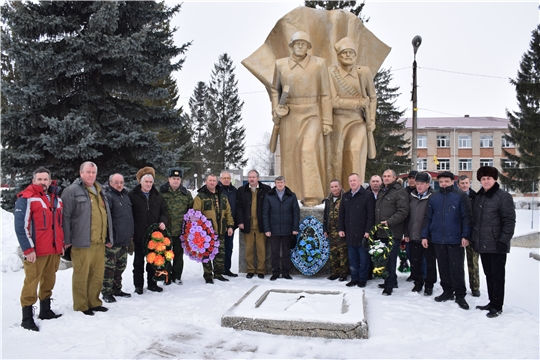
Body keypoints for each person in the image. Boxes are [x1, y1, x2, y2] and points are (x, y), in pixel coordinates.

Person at [270, 31, 332, 206]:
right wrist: (276, 109)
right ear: (291, 45)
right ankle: (292, 195)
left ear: (308, 47)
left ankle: (313, 194)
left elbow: (326, 93)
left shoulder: (319, 64)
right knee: (289, 156)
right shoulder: (280, 64)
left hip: (312, 113)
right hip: (289, 114)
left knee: (308, 149)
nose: (299, 46)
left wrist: (327, 120)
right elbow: (275, 89)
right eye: (296, 43)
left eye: (303, 43)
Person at [15, 167, 64, 331]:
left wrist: (61, 244)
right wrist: (28, 249)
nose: (43, 182)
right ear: (33, 180)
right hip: (36, 252)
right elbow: (21, 227)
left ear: (50, 181)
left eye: (45, 179)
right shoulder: (26, 198)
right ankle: (27, 317)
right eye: (39, 179)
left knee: (49, 280)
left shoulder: (56, 198)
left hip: (54, 250)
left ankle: (45, 310)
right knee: (31, 282)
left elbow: (59, 224)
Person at [62, 161, 112, 315]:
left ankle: (94, 302)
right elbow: (65, 217)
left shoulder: (100, 190)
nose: (91, 175)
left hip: (99, 242)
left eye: (93, 172)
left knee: (97, 274)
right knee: (81, 274)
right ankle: (81, 305)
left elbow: (106, 215)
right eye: (88, 172)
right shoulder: (72, 191)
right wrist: (67, 240)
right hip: (82, 242)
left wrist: (109, 237)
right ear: (81, 173)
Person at [327, 37, 377, 186]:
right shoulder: (331, 72)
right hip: (337, 121)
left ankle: (354, 191)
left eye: (351, 53)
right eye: (344, 53)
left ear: (356, 55)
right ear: (338, 56)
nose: (348, 55)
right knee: (336, 159)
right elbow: (333, 101)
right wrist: (358, 102)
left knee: (354, 151)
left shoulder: (364, 72)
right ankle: (336, 193)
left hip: (357, 120)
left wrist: (372, 120)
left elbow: (372, 97)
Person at [421, 171, 473, 310]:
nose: (443, 184)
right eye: (441, 182)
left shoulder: (460, 196)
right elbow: (428, 217)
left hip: (456, 239)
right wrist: (425, 235)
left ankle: (460, 294)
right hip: (438, 238)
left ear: (452, 182)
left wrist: (466, 236)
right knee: (443, 267)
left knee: (456, 268)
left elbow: (467, 217)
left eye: (446, 181)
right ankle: (447, 291)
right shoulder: (434, 197)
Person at [472, 166, 516, 318]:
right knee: (488, 275)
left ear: (495, 179)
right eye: (483, 179)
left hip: (497, 244)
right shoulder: (479, 197)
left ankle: (497, 306)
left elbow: (509, 221)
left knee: (497, 276)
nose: (485, 181)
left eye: (488, 178)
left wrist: (504, 240)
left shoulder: (503, 197)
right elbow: (476, 221)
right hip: (483, 244)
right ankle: (491, 302)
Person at [128, 167, 168, 294]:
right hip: (139, 234)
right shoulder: (132, 196)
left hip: (154, 235)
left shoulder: (158, 196)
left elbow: (165, 212)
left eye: (151, 182)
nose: (149, 184)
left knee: (153, 260)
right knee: (138, 262)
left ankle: (152, 283)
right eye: (146, 182)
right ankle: (138, 285)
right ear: (140, 182)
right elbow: (128, 215)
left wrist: (163, 221)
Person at [193, 174, 234, 284]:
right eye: (210, 180)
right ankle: (207, 275)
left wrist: (230, 226)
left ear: (216, 182)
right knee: (206, 253)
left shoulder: (222, 196)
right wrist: (199, 229)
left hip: (220, 230)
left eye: (214, 181)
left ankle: (218, 273)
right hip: (206, 232)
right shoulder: (200, 196)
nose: (212, 182)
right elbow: (195, 213)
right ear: (206, 182)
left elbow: (228, 213)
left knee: (220, 253)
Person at [375, 169, 409, 295]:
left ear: (394, 178)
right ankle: (391, 280)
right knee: (385, 258)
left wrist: (389, 222)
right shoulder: (382, 191)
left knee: (390, 259)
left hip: (393, 231)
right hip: (381, 231)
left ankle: (389, 286)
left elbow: (403, 211)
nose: (386, 178)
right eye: (384, 176)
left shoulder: (400, 191)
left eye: (389, 176)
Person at [101, 173, 134, 303]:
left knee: (121, 266)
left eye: (121, 182)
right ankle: (106, 291)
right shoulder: (108, 196)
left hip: (124, 239)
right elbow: (105, 219)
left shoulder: (125, 196)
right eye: (116, 182)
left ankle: (116, 289)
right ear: (110, 183)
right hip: (112, 241)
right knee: (109, 268)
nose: (119, 185)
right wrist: (107, 238)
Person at [338, 174, 375, 287]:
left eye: (354, 180)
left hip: (363, 233)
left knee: (363, 258)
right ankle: (354, 278)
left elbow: (371, 215)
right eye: (350, 181)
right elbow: (341, 215)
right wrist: (341, 228)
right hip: (349, 232)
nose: (352, 182)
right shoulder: (345, 196)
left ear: (359, 181)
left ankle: (363, 279)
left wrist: (368, 230)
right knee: (352, 258)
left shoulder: (367, 195)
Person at [403, 172, 436, 296]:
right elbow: (407, 216)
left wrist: (427, 235)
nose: (419, 186)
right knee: (415, 262)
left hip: (428, 238)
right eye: (417, 184)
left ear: (428, 184)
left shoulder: (433, 197)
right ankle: (418, 283)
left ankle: (429, 284)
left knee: (429, 262)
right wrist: (406, 233)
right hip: (413, 235)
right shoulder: (411, 196)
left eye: (422, 184)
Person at [262, 176, 300, 280]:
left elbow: (296, 213)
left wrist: (295, 228)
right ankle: (275, 272)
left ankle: (285, 272)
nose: (280, 184)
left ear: (284, 183)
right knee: (274, 252)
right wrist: (267, 229)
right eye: (278, 182)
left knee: (286, 252)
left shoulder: (291, 196)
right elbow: (265, 213)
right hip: (273, 230)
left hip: (287, 229)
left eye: (281, 182)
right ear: (275, 183)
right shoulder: (269, 196)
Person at [160, 168, 193, 285]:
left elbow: (191, 211)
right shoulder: (161, 193)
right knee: (166, 255)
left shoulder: (186, 194)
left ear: (181, 180)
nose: (175, 181)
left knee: (178, 255)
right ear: (169, 179)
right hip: (166, 231)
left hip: (180, 231)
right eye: (173, 178)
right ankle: (167, 276)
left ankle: (177, 276)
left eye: (178, 179)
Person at [236, 169, 271, 279]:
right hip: (248, 225)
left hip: (261, 225)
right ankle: (250, 270)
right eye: (249, 177)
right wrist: (240, 221)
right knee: (249, 249)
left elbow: (269, 207)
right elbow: (239, 207)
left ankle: (261, 270)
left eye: (253, 177)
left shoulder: (266, 189)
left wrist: (268, 225)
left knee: (261, 250)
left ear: (258, 178)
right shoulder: (242, 190)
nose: (251, 179)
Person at [457, 174, 481, 297]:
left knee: (473, 263)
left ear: (469, 183)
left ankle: (475, 287)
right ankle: (460, 286)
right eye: (462, 183)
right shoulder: (455, 197)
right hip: (458, 235)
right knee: (458, 263)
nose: (465, 185)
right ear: (458, 185)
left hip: (472, 235)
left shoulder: (476, 197)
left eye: (467, 183)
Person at [323, 179, 348, 281]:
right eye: (332, 187)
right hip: (331, 231)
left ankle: (343, 274)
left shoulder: (345, 198)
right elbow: (326, 215)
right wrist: (325, 229)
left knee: (343, 254)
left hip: (341, 231)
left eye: (336, 186)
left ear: (340, 186)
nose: (334, 189)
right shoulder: (328, 199)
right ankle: (335, 273)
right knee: (333, 254)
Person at [218, 170, 238, 277]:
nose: (226, 180)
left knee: (229, 247)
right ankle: (218, 269)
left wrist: (235, 223)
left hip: (231, 225)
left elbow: (238, 207)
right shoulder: (217, 190)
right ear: (220, 179)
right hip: (219, 225)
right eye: (224, 178)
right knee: (218, 248)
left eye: (228, 178)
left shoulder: (234, 191)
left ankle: (227, 269)